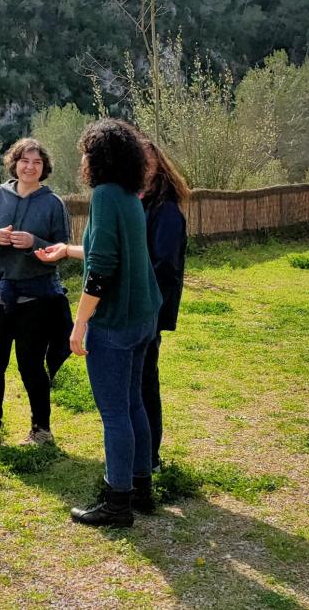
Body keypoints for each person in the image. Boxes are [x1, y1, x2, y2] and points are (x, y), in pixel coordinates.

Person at [35, 119, 161, 528]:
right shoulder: (129, 195)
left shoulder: (106, 196)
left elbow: (103, 268)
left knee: (114, 413)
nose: (83, 159)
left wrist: (79, 324)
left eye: (87, 152)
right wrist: (67, 251)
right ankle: (141, 489)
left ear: (99, 157)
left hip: (116, 324)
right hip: (143, 317)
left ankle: (117, 500)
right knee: (133, 403)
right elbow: (106, 251)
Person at [0, 138, 72, 449]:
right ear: (15, 163)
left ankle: (41, 430)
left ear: (44, 168)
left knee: (31, 365)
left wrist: (35, 243)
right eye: (25, 160)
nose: (30, 166)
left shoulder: (53, 204)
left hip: (34, 299)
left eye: (37, 162)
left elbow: (62, 249)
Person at [137, 135, 190, 478]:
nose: (140, 166)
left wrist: (138, 298)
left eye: (145, 160)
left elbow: (165, 266)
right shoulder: (138, 202)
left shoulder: (166, 210)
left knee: (144, 382)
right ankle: (142, 453)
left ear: (158, 166)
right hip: (137, 307)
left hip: (149, 309)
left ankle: (151, 456)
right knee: (137, 382)